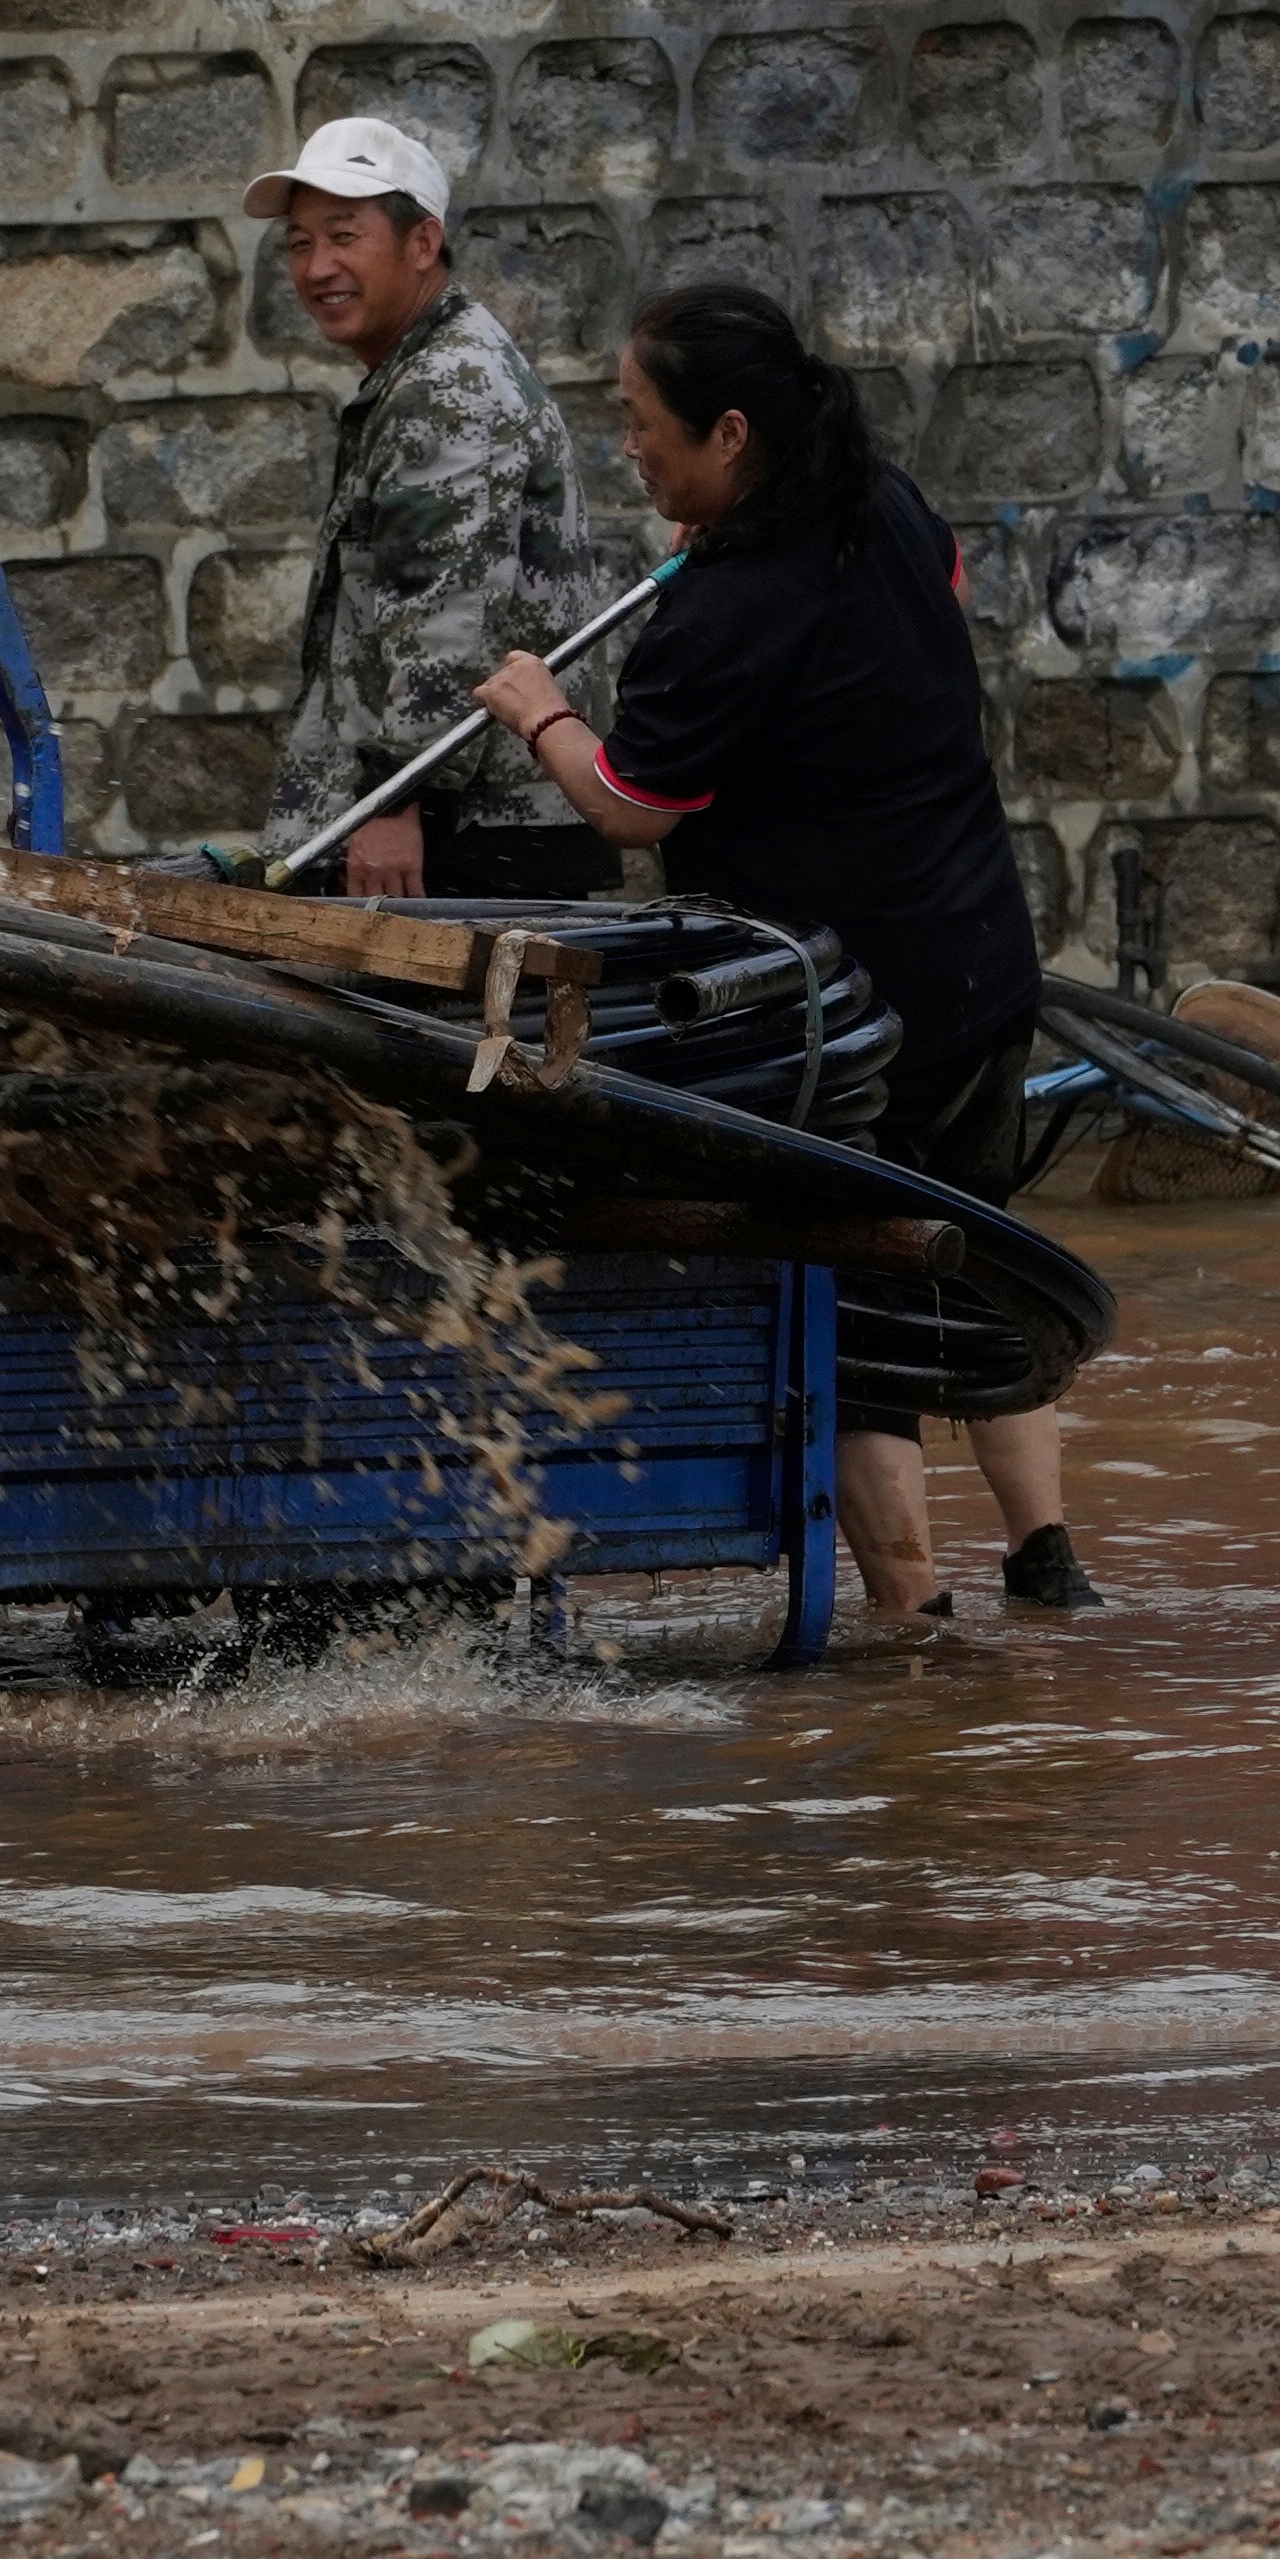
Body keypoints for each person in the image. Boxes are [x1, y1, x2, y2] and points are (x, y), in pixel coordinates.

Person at [461, 279, 1105, 1628]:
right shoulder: (887, 505)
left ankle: (913, 1636)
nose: (627, 447)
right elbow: (945, 587)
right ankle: (1048, 1562)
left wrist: (538, 709)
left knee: (852, 1317)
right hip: (983, 956)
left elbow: (633, 803)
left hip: (853, 1015)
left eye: (642, 425)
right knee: (977, 1255)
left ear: (732, 434)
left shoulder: (726, 611)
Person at [241, 114, 613, 903]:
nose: (316, 266)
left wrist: (395, 798)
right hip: (452, 814)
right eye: (299, 242)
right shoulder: (424, 370)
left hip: (463, 827)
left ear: (422, 243)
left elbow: (447, 618)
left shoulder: (447, 387)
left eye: (343, 234)